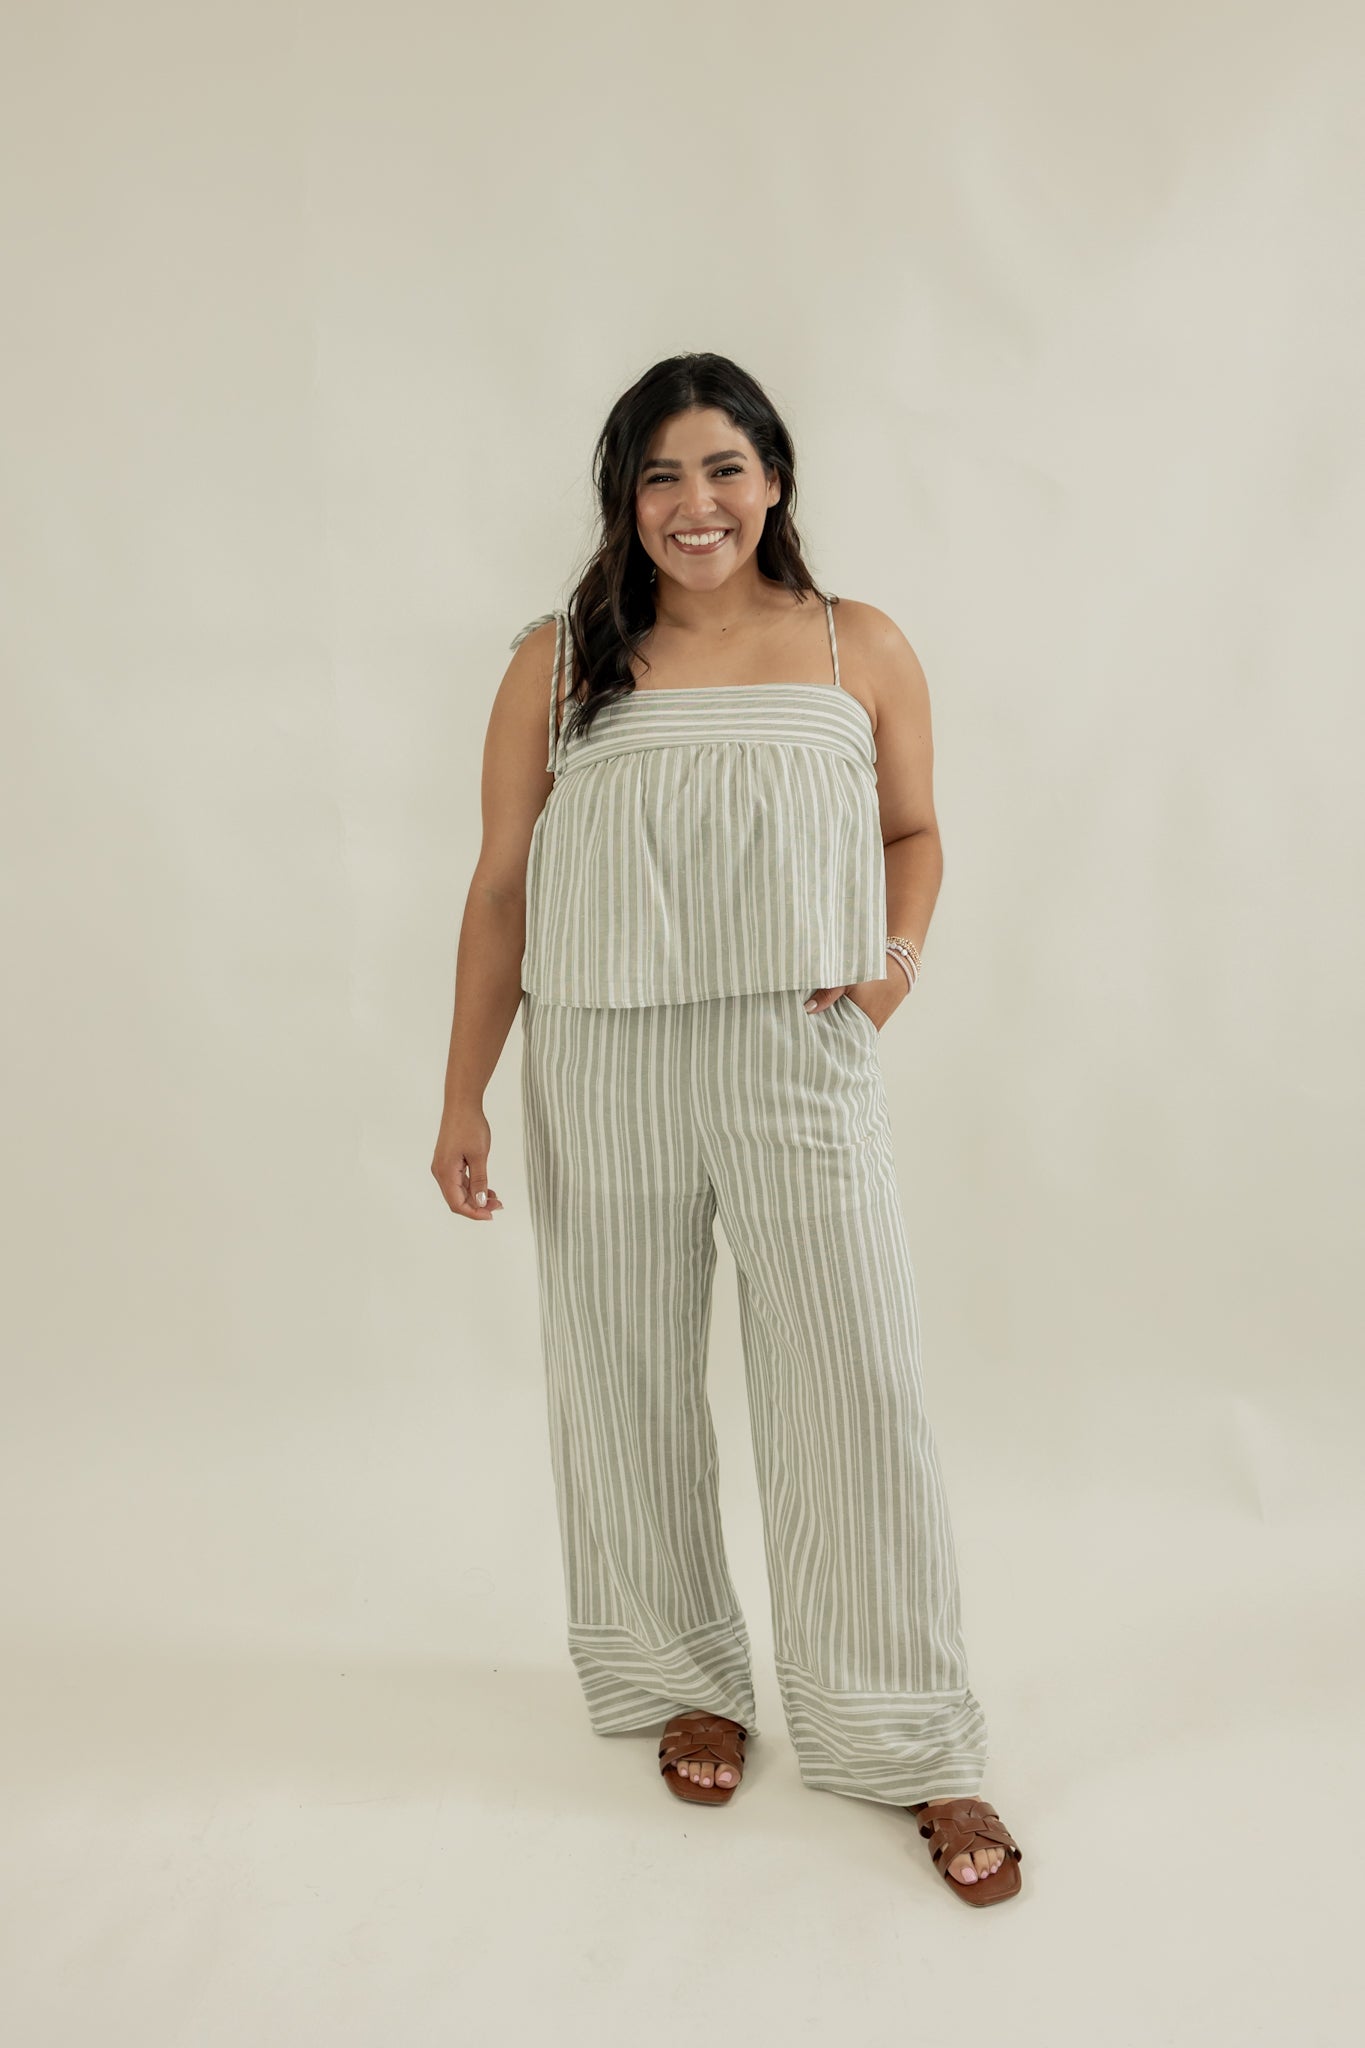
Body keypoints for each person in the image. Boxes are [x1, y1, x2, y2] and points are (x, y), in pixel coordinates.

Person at [431, 353, 1023, 1905]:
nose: (693, 506)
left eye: (722, 470)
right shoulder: (561, 660)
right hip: (600, 1054)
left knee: (854, 1385)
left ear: (772, 482)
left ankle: (905, 1735)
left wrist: (886, 974)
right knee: (620, 1374)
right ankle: (680, 1676)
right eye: (659, 478)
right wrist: (462, 1092)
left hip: (794, 1054)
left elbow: (914, 830)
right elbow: (499, 887)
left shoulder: (853, 642)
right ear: (623, 500)